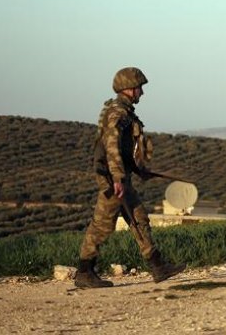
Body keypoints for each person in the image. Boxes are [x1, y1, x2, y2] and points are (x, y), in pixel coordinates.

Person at [74, 67, 186, 288]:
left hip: (121, 177)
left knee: (138, 219)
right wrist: (117, 178)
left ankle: (158, 266)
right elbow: (112, 148)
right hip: (114, 180)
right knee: (102, 226)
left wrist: (137, 170)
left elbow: (126, 151)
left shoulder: (124, 112)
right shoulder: (118, 114)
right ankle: (85, 272)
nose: (141, 93)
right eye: (139, 88)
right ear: (129, 89)